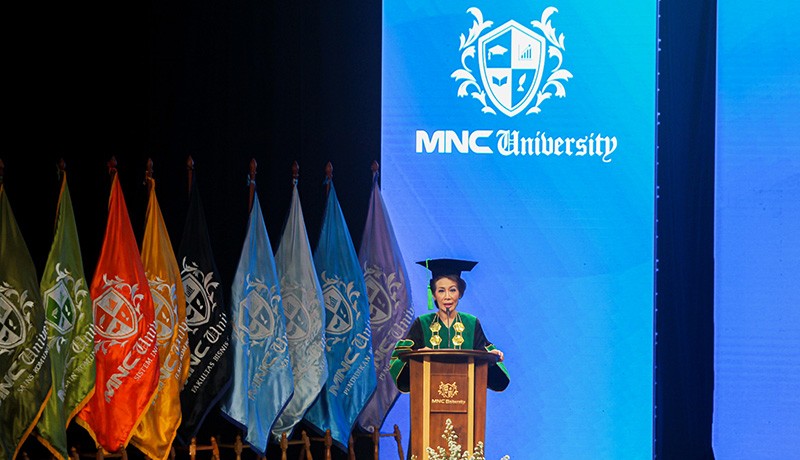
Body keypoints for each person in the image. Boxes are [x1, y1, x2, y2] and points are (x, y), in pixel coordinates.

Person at [389, 258, 509, 393]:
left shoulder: (471, 323)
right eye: (441, 291)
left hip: (465, 397)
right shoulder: (422, 323)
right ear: (433, 294)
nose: (447, 297)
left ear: (460, 293)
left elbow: (491, 371)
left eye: (452, 290)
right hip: (429, 396)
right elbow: (400, 361)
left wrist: (492, 359)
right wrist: (419, 354)